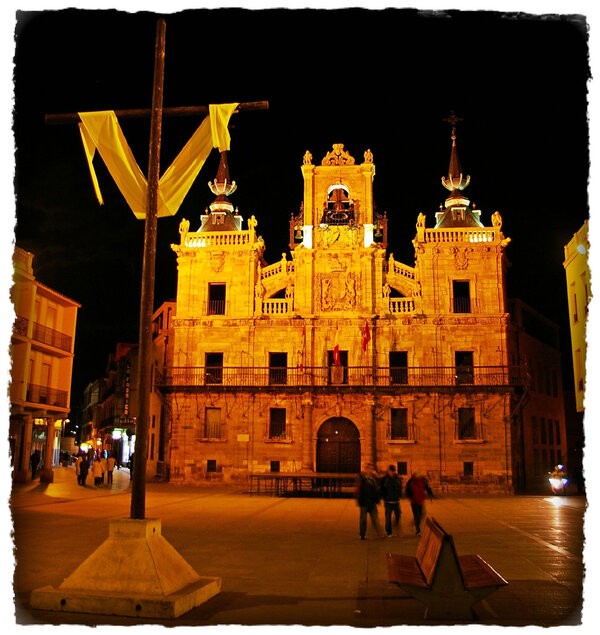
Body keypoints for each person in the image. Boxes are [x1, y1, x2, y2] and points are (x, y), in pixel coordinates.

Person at [355, 463, 384, 540]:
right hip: (364, 501)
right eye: (369, 469)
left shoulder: (374, 479)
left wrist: (377, 499)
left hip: (372, 502)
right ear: (365, 469)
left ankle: (380, 533)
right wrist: (359, 500)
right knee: (363, 519)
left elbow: (378, 488)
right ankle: (362, 534)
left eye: (371, 469)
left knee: (375, 518)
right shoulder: (362, 478)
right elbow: (358, 489)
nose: (370, 471)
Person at [405, 469, 434, 536]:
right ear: (415, 475)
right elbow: (407, 490)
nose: (419, 475)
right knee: (417, 516)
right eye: (418, 474)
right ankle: (418, 530)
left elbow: (427, 487)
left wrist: (430, 493)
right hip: (414, 501)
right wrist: (411, 497)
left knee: (422, 514)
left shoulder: (423, 480)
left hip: (421, 500)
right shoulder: (411, 481)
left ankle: (415, 523)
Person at [380, 464, 403, 537]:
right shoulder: (385, 479)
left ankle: (395, 526)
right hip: (388, 501)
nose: (392, 472)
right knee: (388, 517)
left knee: (398, 515)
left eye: (393, 471)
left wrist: (399, 495)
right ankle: (389, 532)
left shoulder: (397, 478)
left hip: (396, 501)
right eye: (391, 471)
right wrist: (384, 497)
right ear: (388, 471)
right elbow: (381, 488)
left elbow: (400, 487)